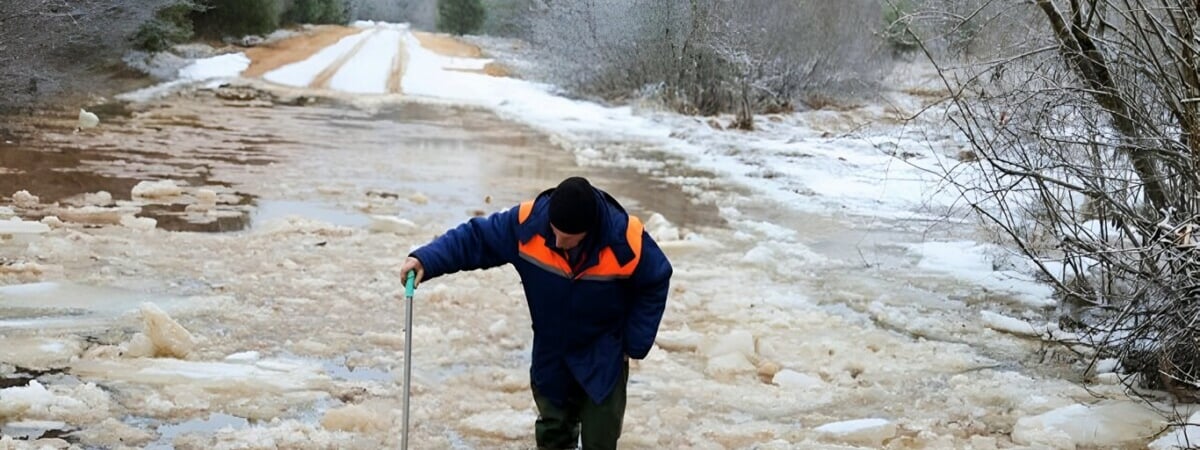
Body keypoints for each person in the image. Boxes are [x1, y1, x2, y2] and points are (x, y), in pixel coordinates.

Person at [399, 176, 673, 449]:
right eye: (554, 231)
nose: (555, 240)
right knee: (553, 433)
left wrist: (634, 343)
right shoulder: (529, 224)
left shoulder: (625, 240)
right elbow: (477, 239)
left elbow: (656, 279)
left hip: (602, 353)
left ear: (589, 231)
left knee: (600, 439)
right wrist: (427, 259)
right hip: (551, 351)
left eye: (566, 238)